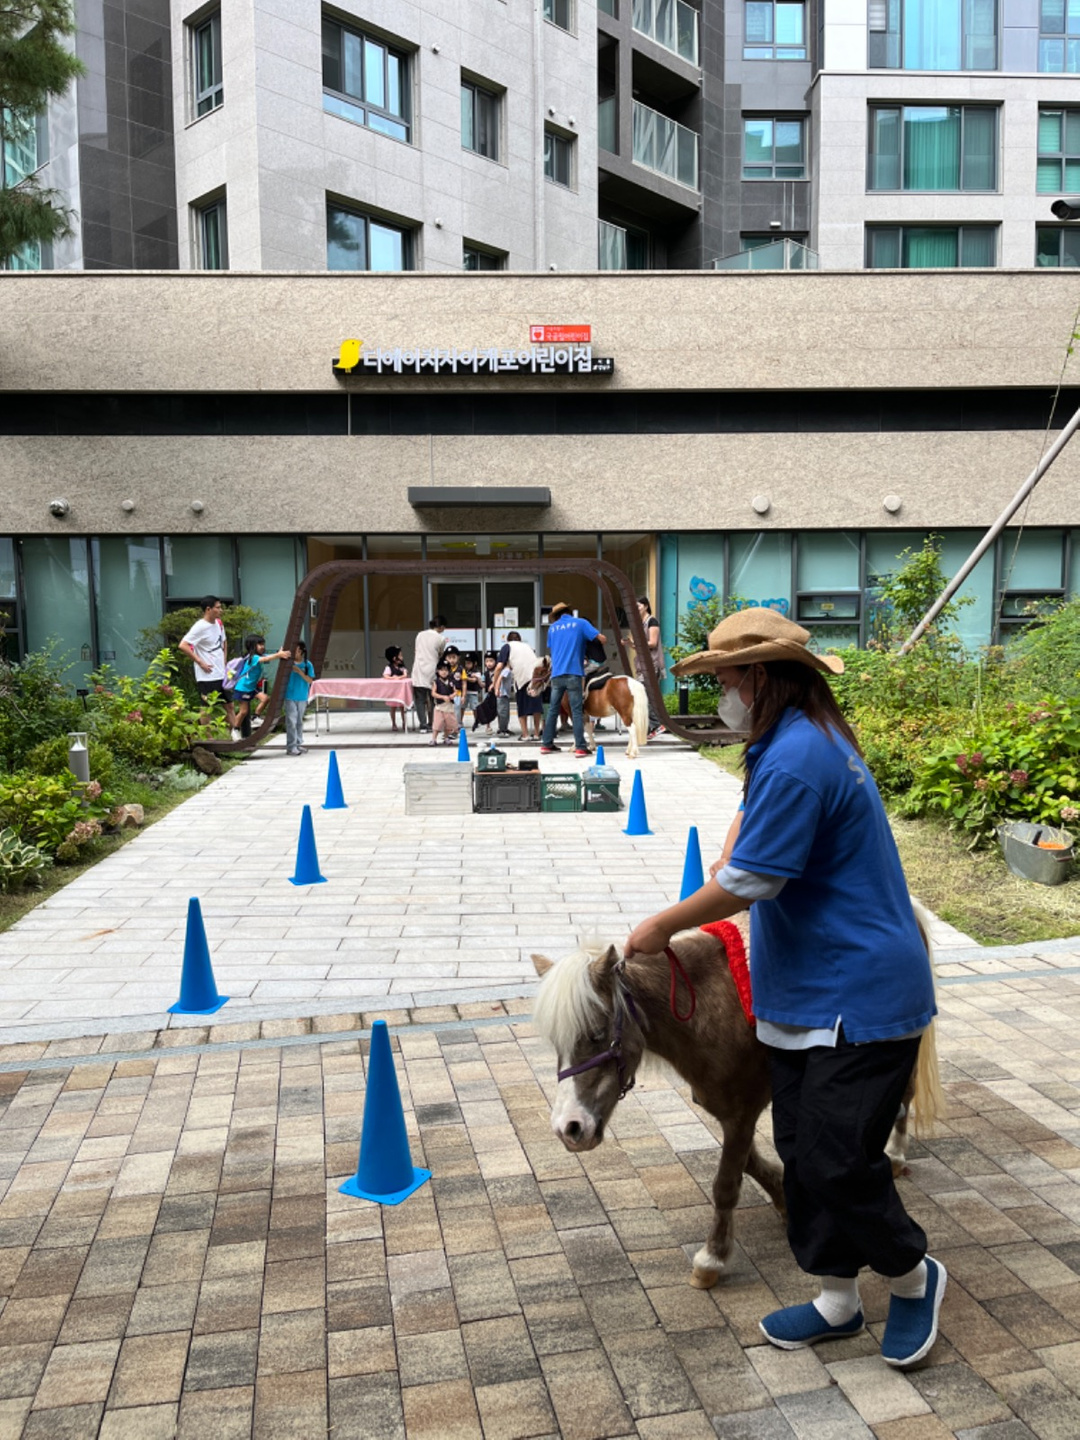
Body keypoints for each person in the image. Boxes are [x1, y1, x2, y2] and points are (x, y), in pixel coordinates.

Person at [623, 609, 942, 1372]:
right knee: (801, 1153)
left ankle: (911, 1277)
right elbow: (756, 836)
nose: (723, 693)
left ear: (761, 678)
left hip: (860, 994)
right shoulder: (788, 745)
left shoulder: (800, 755)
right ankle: (837, 1300)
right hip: (803, 992)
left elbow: (753, 880)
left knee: (838, 1160)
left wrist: (658, 928)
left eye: (728, 679)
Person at [539, 602, 607, 758]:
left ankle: (546, 744)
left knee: (553, 710)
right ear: (570, 612)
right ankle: (581, 747)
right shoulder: (580, 623)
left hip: (556, 674)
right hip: (574, 672)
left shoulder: (552, 628)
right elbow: (601, 639)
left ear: (556, 616)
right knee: (576, 711)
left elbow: (554, 647)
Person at [179, 596, 235, 730]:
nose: (220, 610)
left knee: (229, 705)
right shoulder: (200, 627)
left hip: (221, 672)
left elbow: (224, 642)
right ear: (208, 609)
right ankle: (208, 739)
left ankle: (235, 734)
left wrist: (224, 661)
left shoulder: (219, 624)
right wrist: (200, 662)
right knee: (206, 707)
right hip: (207, 675)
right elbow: (183, 645)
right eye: (218, 607)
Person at [231, 635, 289, 737]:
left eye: (263, 644)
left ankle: (255, 717)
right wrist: (278, 655)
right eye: (260, 644)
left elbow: (269, 657)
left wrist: (279, 653)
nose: (262, 646)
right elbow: (267, 658)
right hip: (243, 688)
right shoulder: (253, 657)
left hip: (251, 688)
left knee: (265, 698)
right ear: (252, 646)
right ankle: (235, 729)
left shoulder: (259, 656)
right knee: (243, 711)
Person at [491, 630, 542, 744]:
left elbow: (499, 667)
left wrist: (495, 685)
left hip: (522, 679)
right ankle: (537, 734)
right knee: (536, 707)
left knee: (522, 707)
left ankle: (525, 735)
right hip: (535, 679)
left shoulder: (507, 646)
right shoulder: (527, 646)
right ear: (520, 639)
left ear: (508, 640)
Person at [634, 595, 667, 739]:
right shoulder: (641, 623)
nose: (636, 609)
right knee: (645, 696)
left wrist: (638, 642)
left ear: (646, 606)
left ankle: (658, 724)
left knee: (645, 695)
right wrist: (629, 643)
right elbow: (641, 646)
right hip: (643, 665)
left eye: (638, 606)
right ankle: (652, 727)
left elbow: (652, 643)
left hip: (651, 664)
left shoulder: (652, 621)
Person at [412, 616, 447, 733]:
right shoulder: (441, 639)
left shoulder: (420, 635)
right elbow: (440, 654)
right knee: (433, 698)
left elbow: (416, 651)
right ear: (441, 627)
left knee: (420, 699)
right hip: (432, 670)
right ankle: (432, 723)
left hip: (418, 669)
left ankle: (422, 725)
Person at [284, 641, 314, 756]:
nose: (295, 653)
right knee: (291, 721)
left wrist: (299, 672)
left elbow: (311, 680)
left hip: (302, 696)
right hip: (289, 696)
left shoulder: (307, 664)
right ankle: (291, 747)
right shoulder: (288, 663)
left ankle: (298, 743)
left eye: (297, 650)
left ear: (301, 651)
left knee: (299, 721)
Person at [429, 659, 457, 746]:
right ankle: (434, 739)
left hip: (449, 706)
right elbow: (433, 693)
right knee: (437, 723)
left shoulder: (451, 681)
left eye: (446, 670)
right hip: (440, 706)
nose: (444, 672)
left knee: (449, 724)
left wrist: (452, 695)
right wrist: (442, 697)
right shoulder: (436, 682)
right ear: (438, 671)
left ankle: (447, 737)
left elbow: (456, 691)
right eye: (441, 670)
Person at [383, 645, 408, 733]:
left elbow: (405, 675)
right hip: (393, 692)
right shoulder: (389, 667)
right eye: (400, 655)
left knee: (402, 708)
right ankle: (393, 723)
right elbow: (385, 676)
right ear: (394, 658)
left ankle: (404, 723)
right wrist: (394, 678)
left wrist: (399, 677)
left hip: (401, 691)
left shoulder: (402, 667)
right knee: (393, 708)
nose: (402, 657)